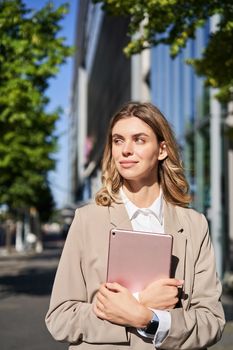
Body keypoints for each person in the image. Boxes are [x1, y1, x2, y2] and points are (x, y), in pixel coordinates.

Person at [45, 102, 225, 350]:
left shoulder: (194, 225)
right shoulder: (87, 220)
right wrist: (139, 303)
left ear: (162, 150)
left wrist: (149, 319)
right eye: (118, 140)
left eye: (139, 139)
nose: (125, 150)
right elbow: (61, 318)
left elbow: (212, 321)